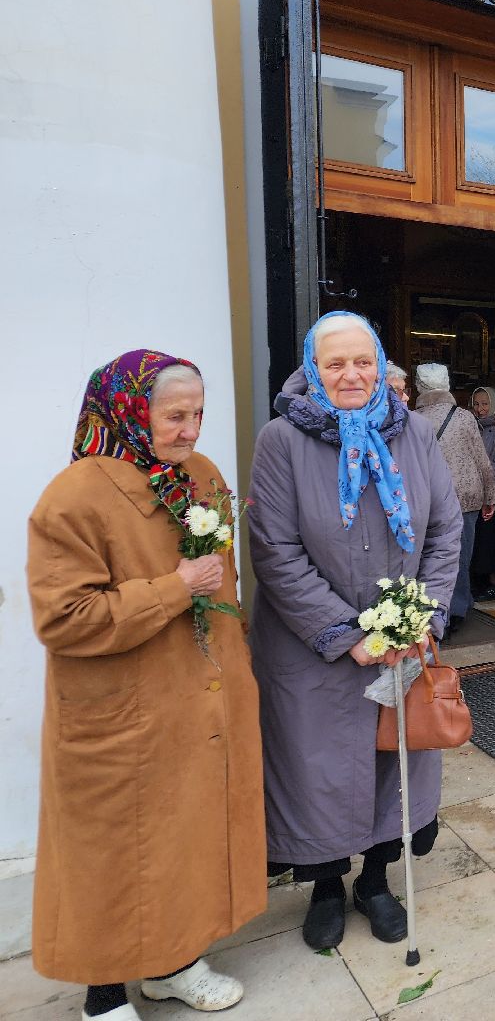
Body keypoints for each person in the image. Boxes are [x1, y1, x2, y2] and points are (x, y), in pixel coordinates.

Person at [27, 351, 263, 1019]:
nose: (190, 430)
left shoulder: (203, 477)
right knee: (113, 851)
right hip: (117, 711)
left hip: (196, 698)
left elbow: (225, 584)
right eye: (174, 415)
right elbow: (64, 618)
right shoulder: (73, 496)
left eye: (198, 415)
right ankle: (102, 995)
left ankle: (172, 963)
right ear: (129, 410)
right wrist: (172, 589)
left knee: (180, 837)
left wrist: (234, 661)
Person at [248, 312, 462, 951]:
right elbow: (274, 550)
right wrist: (347, 633)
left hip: (405, 637)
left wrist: (420, 616)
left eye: (362, 362)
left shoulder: (416, 434)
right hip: (315, 649)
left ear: (380, 365)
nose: (351, 375)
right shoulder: (282, 440)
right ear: (313, 369)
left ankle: (374, 881)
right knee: (320, 771)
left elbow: (447, 530)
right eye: (335, 363)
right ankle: (323, 886)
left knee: (391, 761)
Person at [413, 363, 495, 630]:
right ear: (447, 384)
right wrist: (490, 497)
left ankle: (435, 611)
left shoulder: (412, 419)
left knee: (431, 555)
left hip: (429, 498)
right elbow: (482, 461)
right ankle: (457, 609)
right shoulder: (463, 417)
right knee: (460, 554)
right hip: (467, 496)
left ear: (419, 387)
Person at [469, 385, 495, 601]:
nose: (480, 409)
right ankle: (479, 582)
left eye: (485, 404)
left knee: (491, 542)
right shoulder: (472, 426)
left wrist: (482, 480)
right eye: (476, 404)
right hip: (475, 494)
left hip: (494, 494)